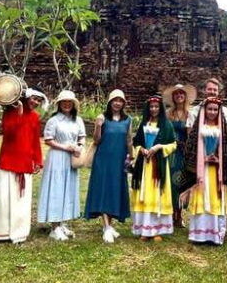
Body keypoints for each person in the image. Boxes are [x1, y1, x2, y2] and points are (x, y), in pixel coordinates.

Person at [0, 88, 44, 244]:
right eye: (33, 98)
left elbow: (35, 140)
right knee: (3, 198)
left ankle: (19, 232)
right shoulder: (10, 112)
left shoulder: (36, 117)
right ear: (26, 97)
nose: (35, 102)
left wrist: (38, 160)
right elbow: (9, 132)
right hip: (9, 160)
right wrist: (20, 114)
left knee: (21, 199)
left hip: (26, 161)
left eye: (39, 100)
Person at [178, 97, 227, 245]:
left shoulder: (222, 128)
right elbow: (191, 149)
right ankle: (199, 234)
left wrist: (218, 159)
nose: (212, 112)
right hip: (201, 171)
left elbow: (226, 151)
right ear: (204, 110)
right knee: (201, 196)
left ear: (219, 111)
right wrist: (202, 158)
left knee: (214, 197)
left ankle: (216, 234)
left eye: (215, 109)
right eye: (209, 109)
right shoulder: (198, 128)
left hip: (215, 171)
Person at [85, 89, 132, 243]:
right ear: (110, 102)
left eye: (120, 101)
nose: (117, 103)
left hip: (119, 161)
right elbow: (96, 140)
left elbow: (129, 140)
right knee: (104, 190)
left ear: (123, 103)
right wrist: (98, 126)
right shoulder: (103, 118)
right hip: (103, 160)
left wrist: (131, 158)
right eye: (115, 100)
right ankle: (106, 227)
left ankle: (109, 225)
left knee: (114, 191)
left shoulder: (128, 120)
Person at [38, 90, 86, 241]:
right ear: (59, 104)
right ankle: (54, 226)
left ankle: (63, 222)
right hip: (57, 158)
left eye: (69, 102)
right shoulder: (54, 120)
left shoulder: (77, 120)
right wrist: (66, 147)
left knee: (68, 188)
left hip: (72, 159)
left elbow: (82, 136)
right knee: (56, 188)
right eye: (64, 102)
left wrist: (79, 146)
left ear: (73, 104)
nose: (66, 104)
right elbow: (48, 140)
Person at [131, 95, 177, 241]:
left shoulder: (167, 125)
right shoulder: (144, 124)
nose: (154, 109)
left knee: (157, 195)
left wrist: (159, 147)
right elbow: (136, 142)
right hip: (144, 165)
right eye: (151, 107)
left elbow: (173, 144)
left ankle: (157, 230)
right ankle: (145, 230)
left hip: (158, 167)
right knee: (145, 195)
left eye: (156, 107)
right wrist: (141, 149)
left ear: (160, 108)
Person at [163, 83, 196, 228]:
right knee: (171, 182)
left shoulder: (191, 114)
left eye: (181, 94)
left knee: (182, 182)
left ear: (185, 96)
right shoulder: (168, 114)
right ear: (173, 97)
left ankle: (180, 214)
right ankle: (172, 213)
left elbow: (192, 135)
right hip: (171, 152)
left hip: (184, 151)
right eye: (176, 94)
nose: (179, 96)